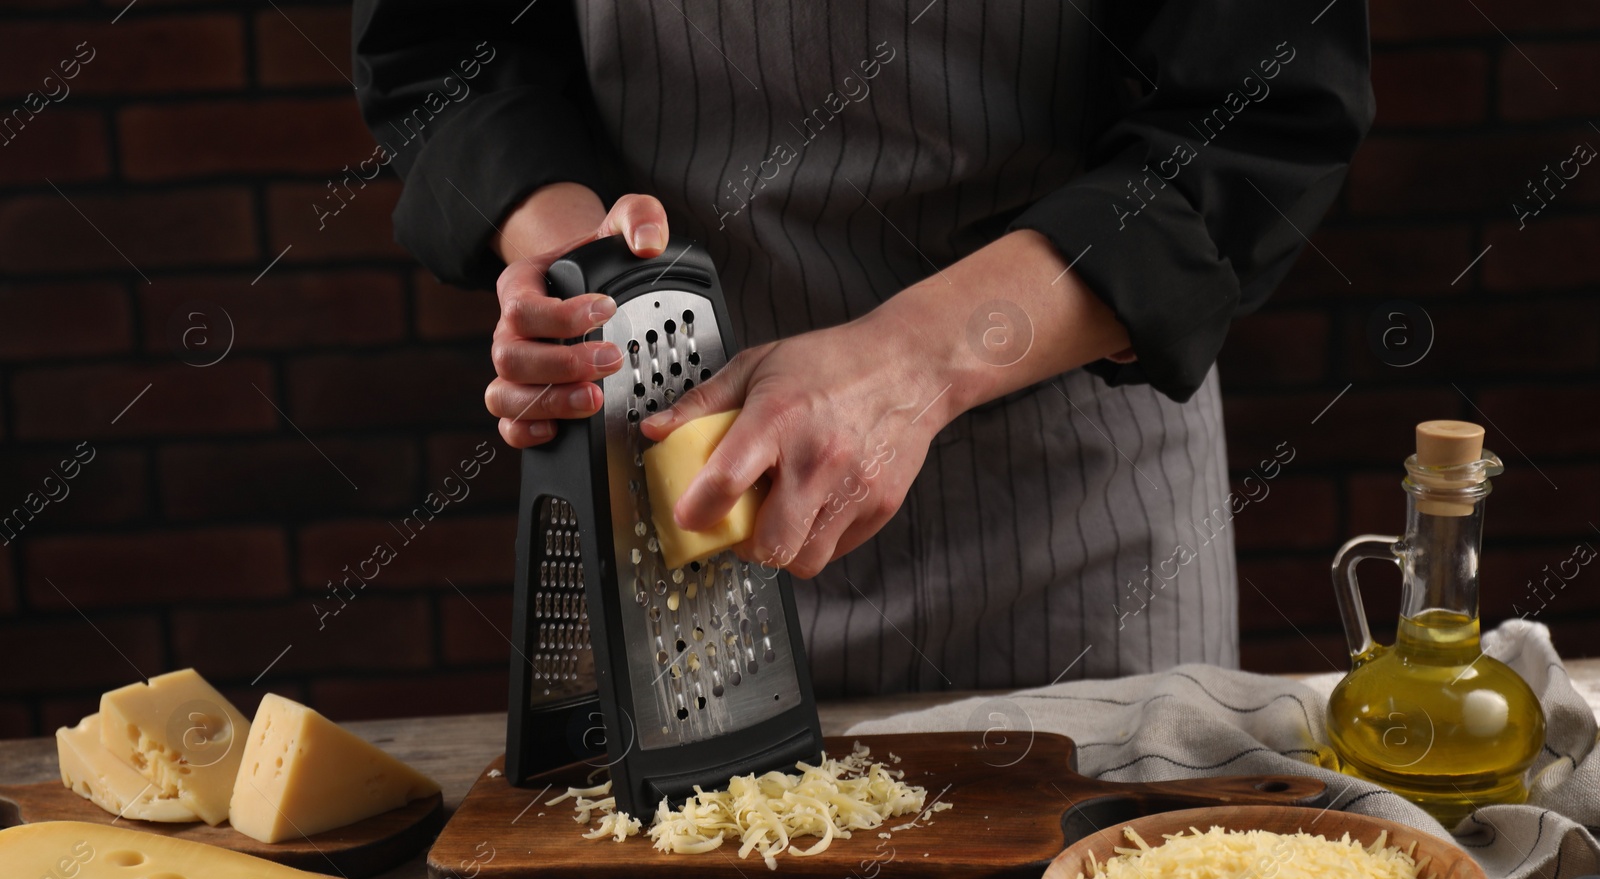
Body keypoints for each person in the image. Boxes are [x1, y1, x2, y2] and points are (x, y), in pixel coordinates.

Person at [353, 1, 1373, 697]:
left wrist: (907, 367)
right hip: (670, 499)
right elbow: (443, 48)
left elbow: (1258, 118)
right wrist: (585, 267)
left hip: (1071, 538)